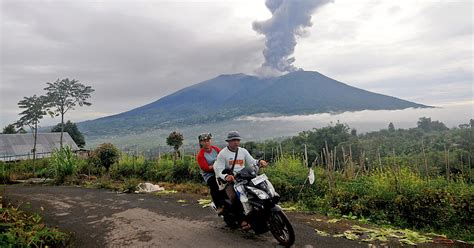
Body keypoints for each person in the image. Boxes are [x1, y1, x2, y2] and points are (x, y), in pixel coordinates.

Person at [213, 131, 268, 230]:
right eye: (233, 140)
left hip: (244, 177)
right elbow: (219, 170)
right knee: (235, 198)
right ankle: (242, 220)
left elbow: (252, 161)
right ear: (228, 141)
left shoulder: (243, 151)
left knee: (257, 192)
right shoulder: (223, 153)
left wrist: (260, 162)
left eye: (237, 140)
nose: (236, 142)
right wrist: (226, 176)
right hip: (230, 181)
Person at [196, 133, 224, 214]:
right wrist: (215, 166)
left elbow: (223, 157)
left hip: (220, 171)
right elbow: (205, 168)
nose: (206, 142)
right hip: (210, 175)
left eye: (208, 140)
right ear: (201, 142)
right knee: (214, 185)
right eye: (204, 141)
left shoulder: (216, 149)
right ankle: (218, 205)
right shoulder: (201, 155)